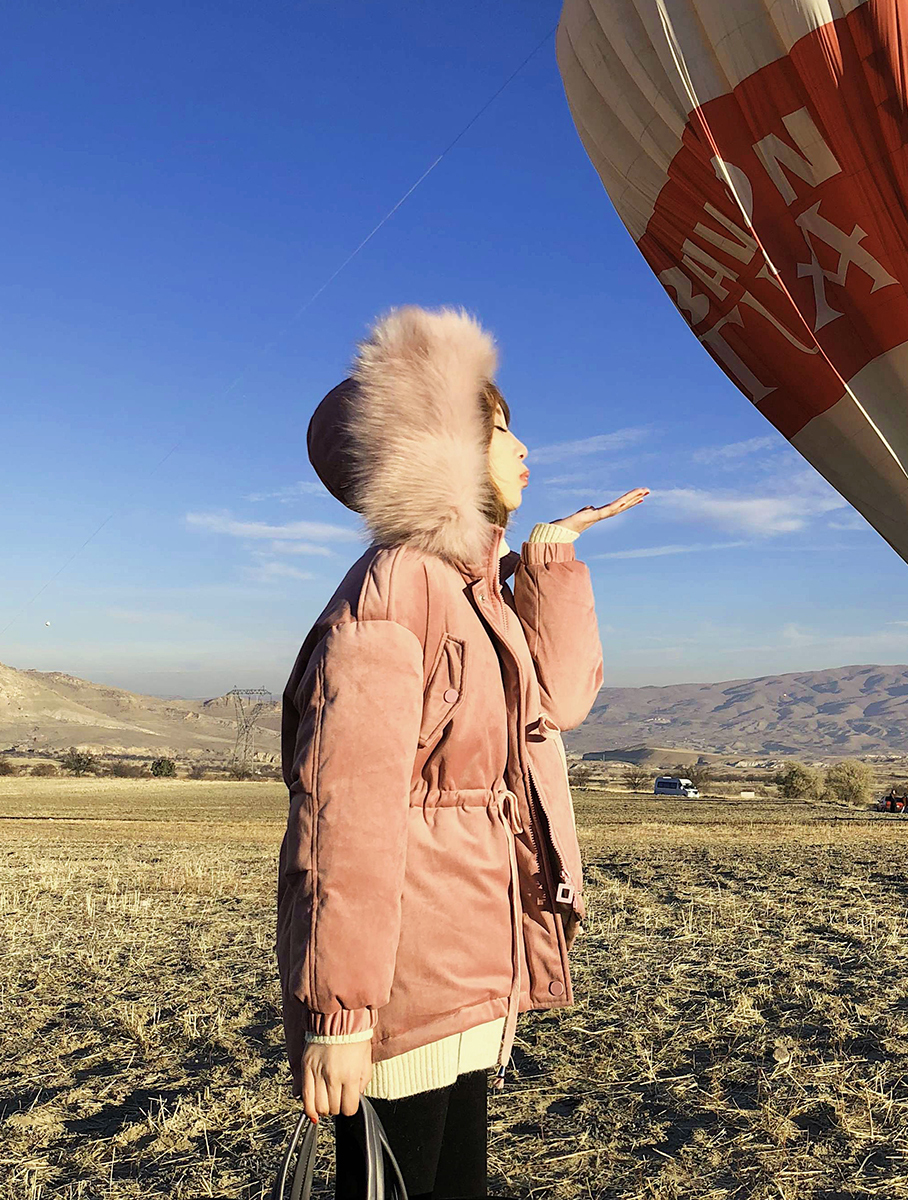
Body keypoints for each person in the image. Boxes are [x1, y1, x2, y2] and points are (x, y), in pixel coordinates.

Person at [275, 306, 649, 1199]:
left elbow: (553, 706)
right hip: (401, 985)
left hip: (474, 962)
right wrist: (341, 1011)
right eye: (502, 429)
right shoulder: (399, 587)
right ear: (440, 447)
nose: (527, 450)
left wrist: (549, 562)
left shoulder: (471, 591)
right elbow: (347, 811)